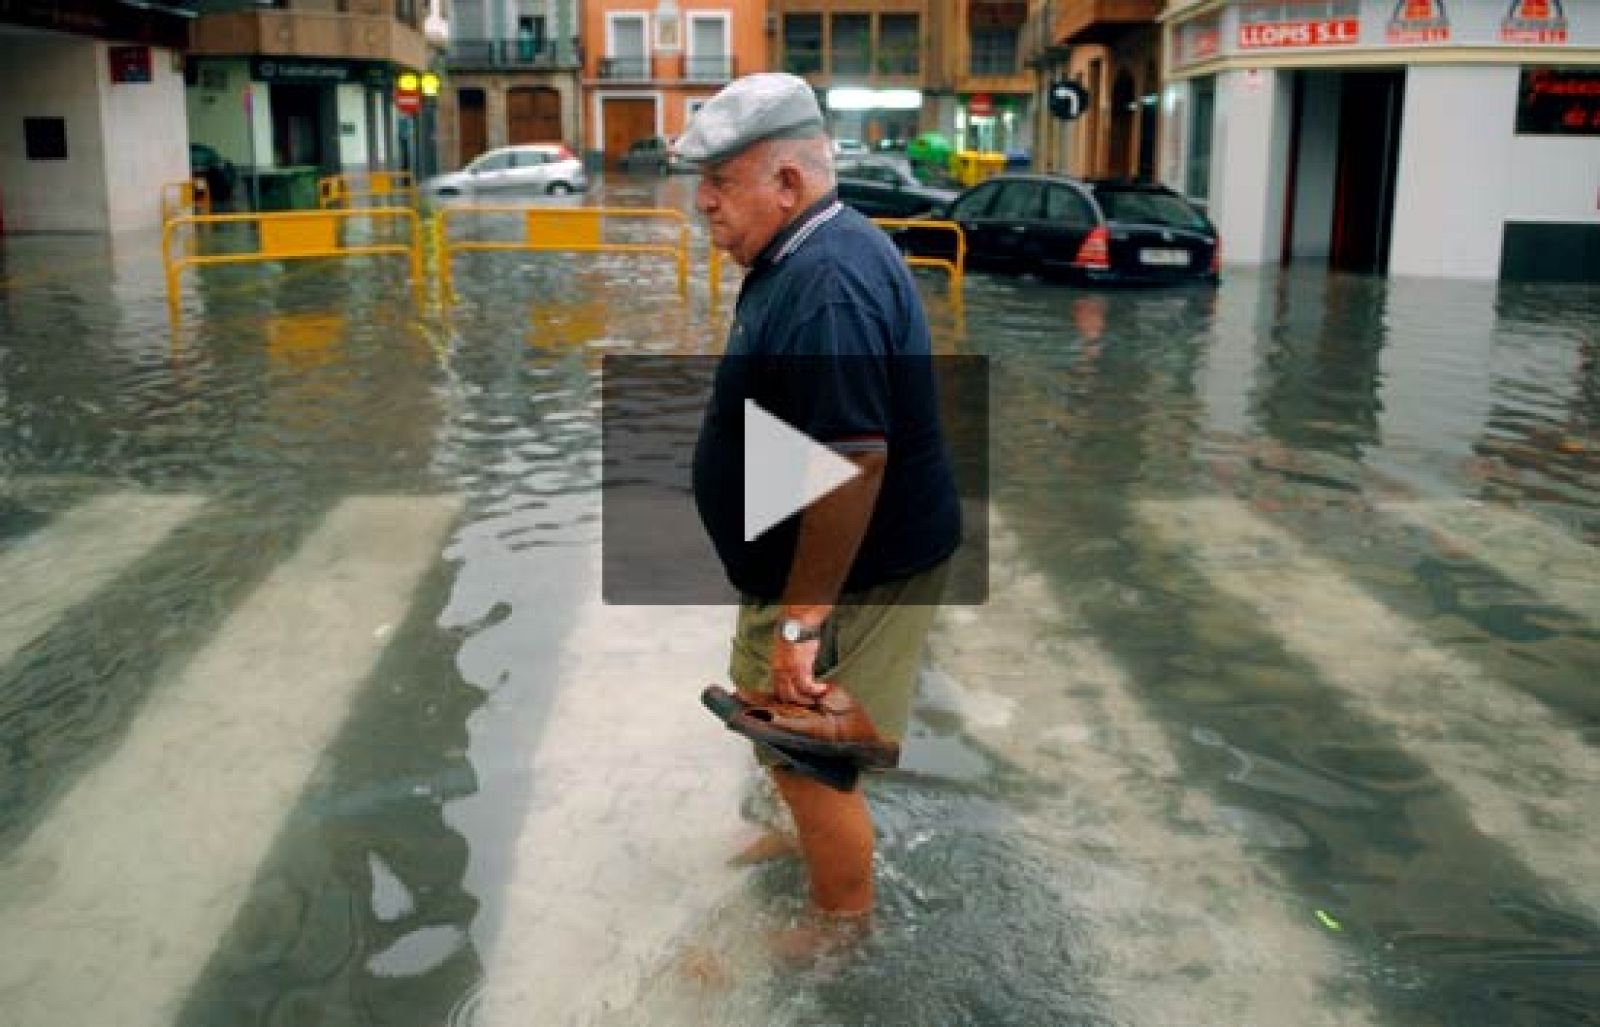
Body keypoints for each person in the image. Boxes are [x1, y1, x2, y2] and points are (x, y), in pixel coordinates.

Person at [677, 73, 961, 929]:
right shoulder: (795, 252)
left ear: (789, 183)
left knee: (810, 752)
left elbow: (851, 458)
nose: (703, 205)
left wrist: (803, 620)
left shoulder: (827, 285)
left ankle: (839, 923)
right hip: (798, 552)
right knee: (772, 717)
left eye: (719, 183)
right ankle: (793, 838)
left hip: (863, 568)